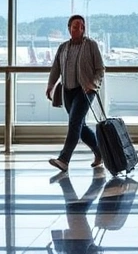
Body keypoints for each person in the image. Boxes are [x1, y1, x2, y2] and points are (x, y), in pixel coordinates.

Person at [46, 14, 106, 173]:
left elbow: (100, 69)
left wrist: (92, 84)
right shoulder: (63, 47)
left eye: (82, 26)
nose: (79, 29)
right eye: (75, 26)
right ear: (69, 29)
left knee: (74, 123)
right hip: (68, 90)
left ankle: (64, 159)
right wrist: (50, 85)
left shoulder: (91, 45)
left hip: (85, 90)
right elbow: (56, 68)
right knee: (80, 125)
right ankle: (100, 153)